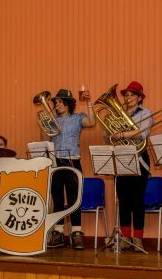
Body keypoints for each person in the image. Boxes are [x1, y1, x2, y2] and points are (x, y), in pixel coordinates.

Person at [103, 81, 152, 251]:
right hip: (121, 159)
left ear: (139, 98)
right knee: (123, 201)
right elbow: (107, 136)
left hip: (139, 159)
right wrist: (111, 131)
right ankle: (125, 238)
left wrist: (123, 133)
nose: (128, 98)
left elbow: (143, 133)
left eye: (132, 95)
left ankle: (138, 239)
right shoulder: (118, 113)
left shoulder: (146, 113)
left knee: (137, 201)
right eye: (126, 95)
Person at [45, 88, 95, 250]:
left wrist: (89, 104)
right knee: (57, 197)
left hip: (73, 161)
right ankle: (58, 233)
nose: (57, 104)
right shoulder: (53, 120)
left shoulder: (78, 118)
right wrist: (45, 123)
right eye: (55, 102)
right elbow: (44, 139)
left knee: (74, 198)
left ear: (68, 103)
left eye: (59, 102)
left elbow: (92, 122)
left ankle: (76, 233)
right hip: (55, 161)